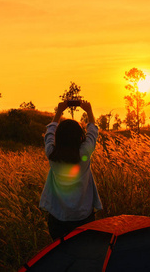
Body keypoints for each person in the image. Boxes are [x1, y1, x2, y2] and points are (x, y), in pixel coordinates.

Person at [39, 100, 102, 240]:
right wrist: (89, 111)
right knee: (84, 254)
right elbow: (92, 132)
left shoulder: (52, 153)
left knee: (61, 255)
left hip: (58, 217)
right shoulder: (84, 153)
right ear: (79, 136)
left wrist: (59, 111)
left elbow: (49, 132)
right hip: (83, 217)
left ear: (58, 137)